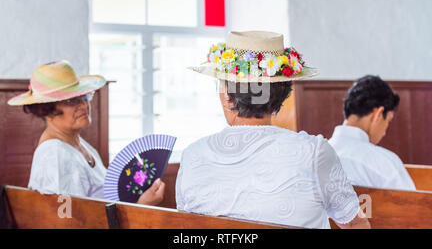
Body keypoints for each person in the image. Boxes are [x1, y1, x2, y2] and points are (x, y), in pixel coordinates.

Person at [176, 31, 370, 229]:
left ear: (227, 95)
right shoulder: (314, 152)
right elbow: (355, 223)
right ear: (281, 94)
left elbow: (185, 226)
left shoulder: (192, 155)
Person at [8, 60, 165, 205]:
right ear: (46, 110)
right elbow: (67, 222)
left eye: (84, 96)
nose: (84, 105)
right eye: (71, 100)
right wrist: (140, 207)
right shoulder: (54, 154)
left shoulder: (79, 144)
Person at [328, 75, 416, 191]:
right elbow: (414, 206)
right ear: (378, 114)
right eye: (388, 121)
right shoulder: (384, 163)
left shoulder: (312, 155)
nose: (384, 132)